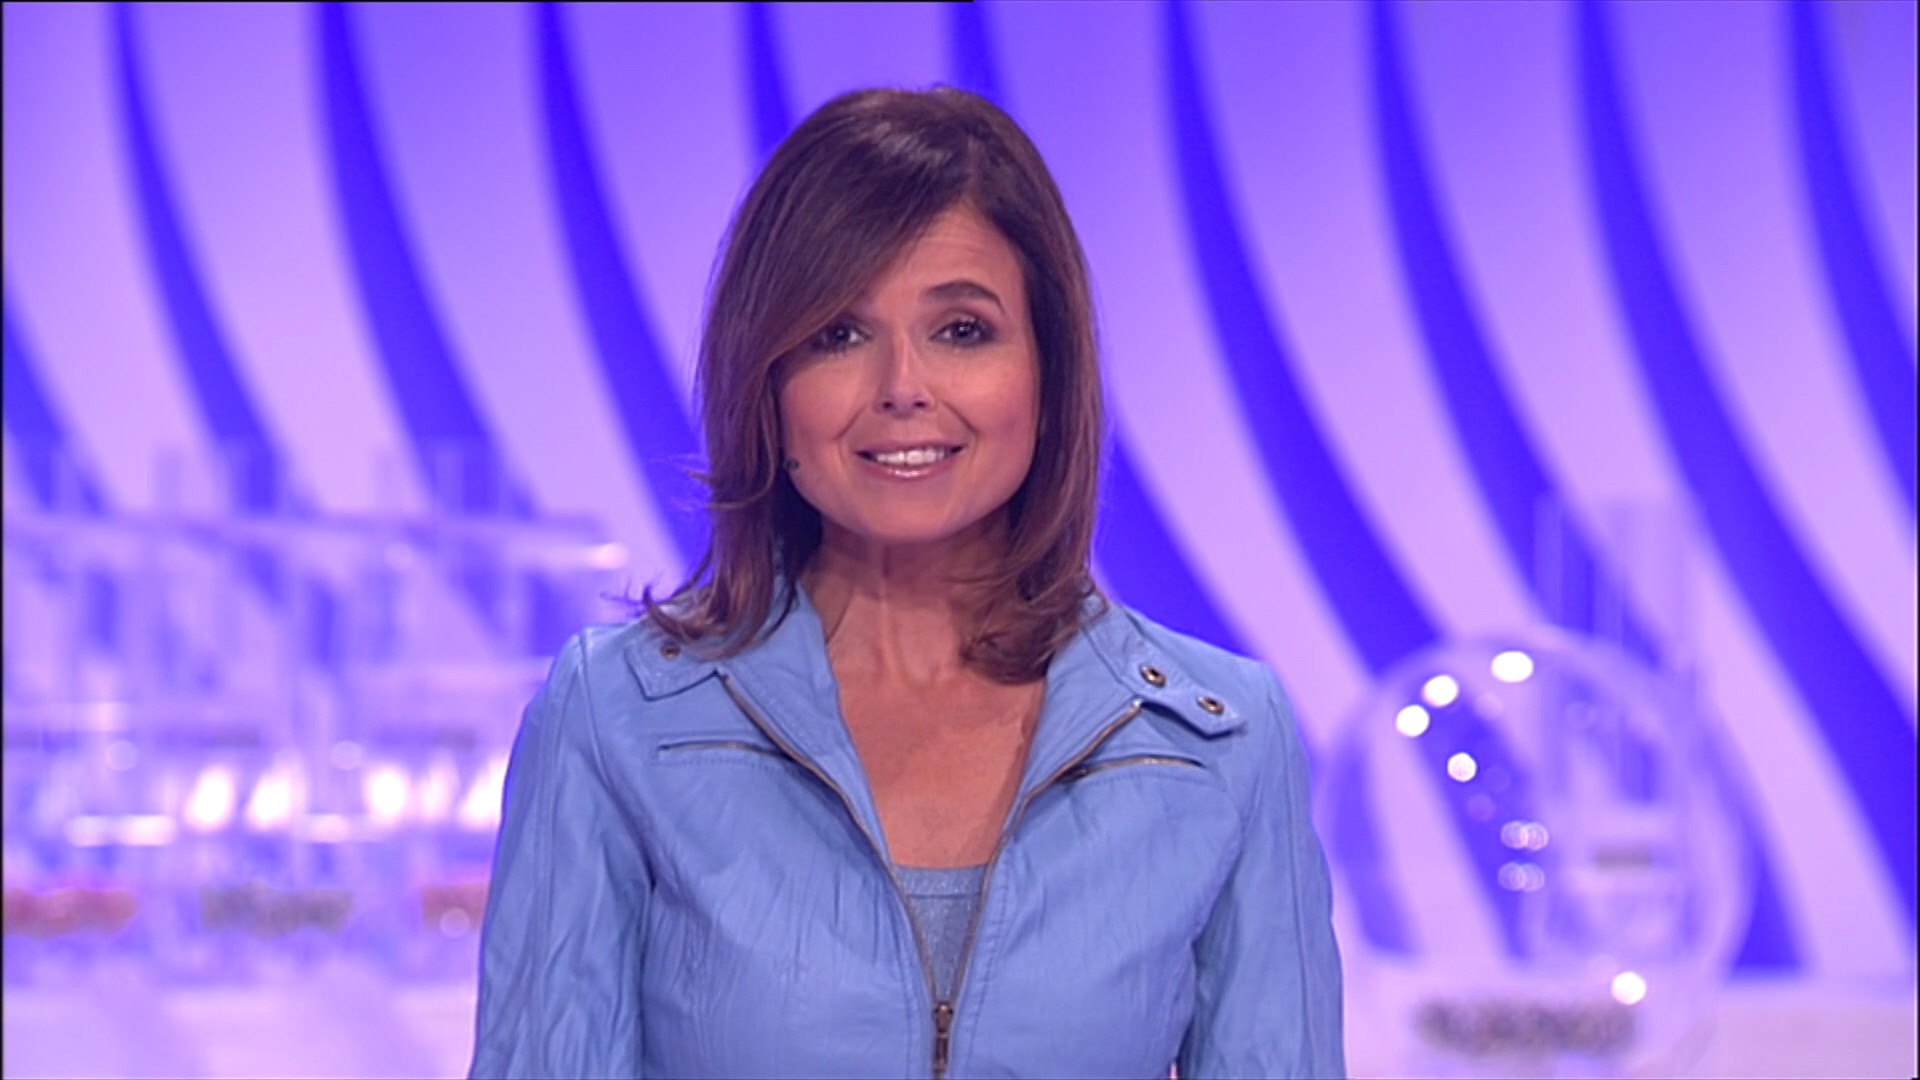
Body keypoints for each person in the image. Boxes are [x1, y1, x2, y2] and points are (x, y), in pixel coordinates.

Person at [469, 86, 1344, 1079]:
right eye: (838, 334)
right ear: (767, 385)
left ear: (1048, 371)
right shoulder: (615, 716)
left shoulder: (1220, 739)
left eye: (961, 330)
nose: (901, 388)